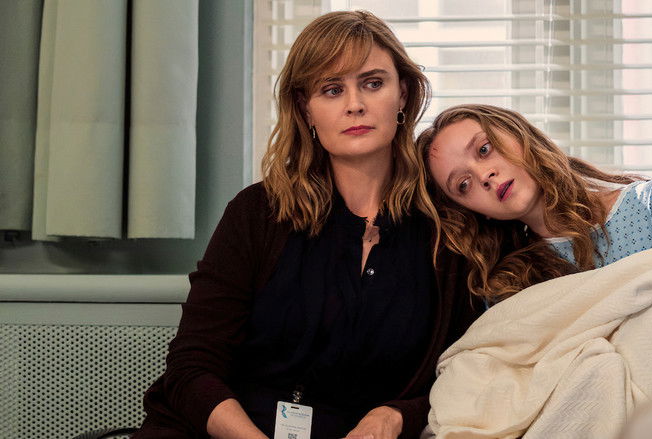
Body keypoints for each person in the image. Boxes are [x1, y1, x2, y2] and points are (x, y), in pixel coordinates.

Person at [134, 11, 480, 439]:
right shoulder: (258, 212)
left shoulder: (449, 227)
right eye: (332, 90)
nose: (355, 104)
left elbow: (466, 371)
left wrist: (395, 416)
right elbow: (192, 368)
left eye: (373, 84)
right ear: (306, 109)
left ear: (403, 94)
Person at [416, 103, 652, 301]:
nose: (484, 176)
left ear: (519, 133)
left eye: (484, 149)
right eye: (464, 185)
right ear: (472, 211)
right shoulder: (507, 286)